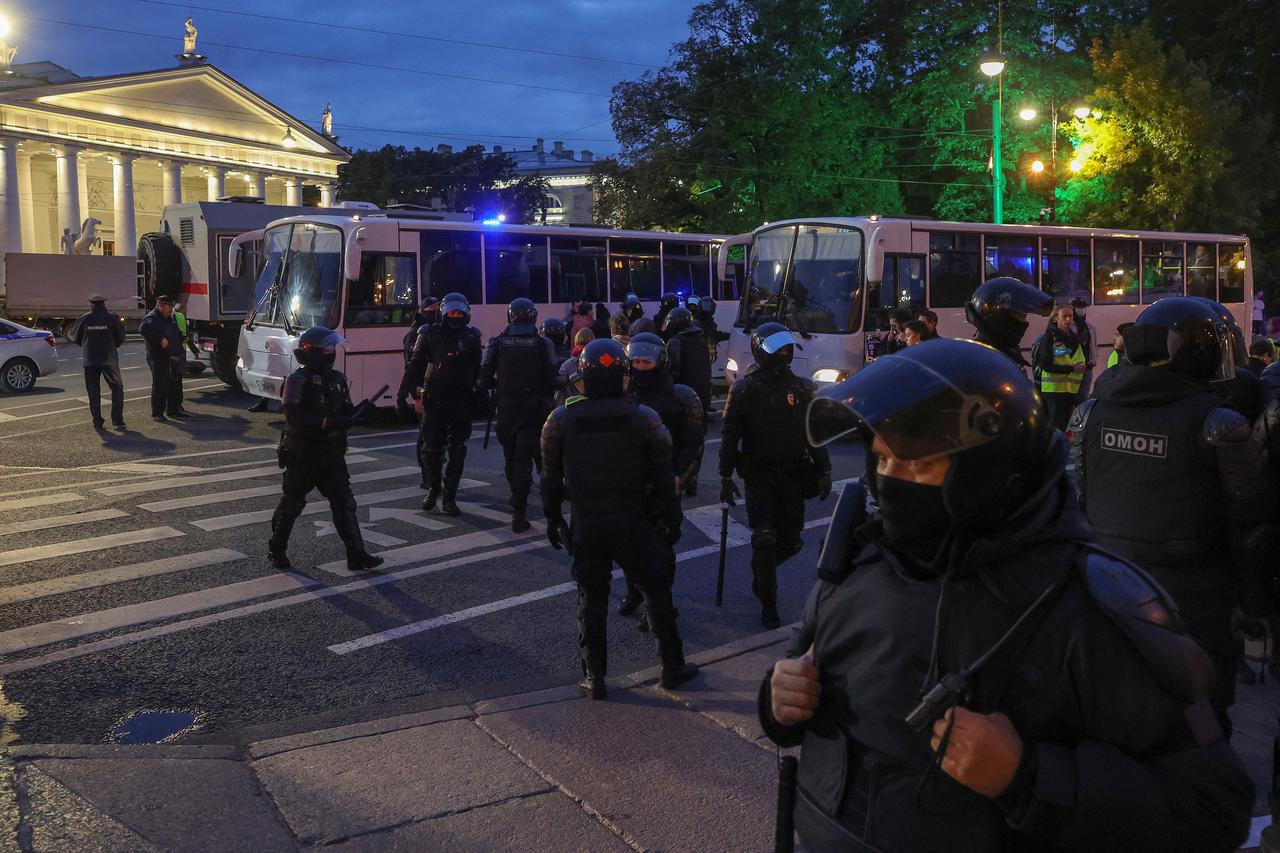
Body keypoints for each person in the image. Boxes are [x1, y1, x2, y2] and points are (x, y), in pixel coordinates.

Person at [763, 338, 1253, 852]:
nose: (891, 484)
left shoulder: (1086, 606)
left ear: (988, 473)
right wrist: (778, 703)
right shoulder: (859, 564)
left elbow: (1212, 809)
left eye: (917, 466)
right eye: (883, 461)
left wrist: (1028, 778)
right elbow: (801, 674)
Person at [1069, 296, 1275, 735]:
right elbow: (1250, 524)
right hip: (1196, 595)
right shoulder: (1218, 423)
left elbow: (1084, 498)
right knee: (1202, 719)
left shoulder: (1092, 411)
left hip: (1111, 583)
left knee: (1118, 710)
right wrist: (1255, 606)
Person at [540, 338, 700, 700]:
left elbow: (549, 479)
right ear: (623, 375)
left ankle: (594, 676)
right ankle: (671, 666)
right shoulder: (644, 417)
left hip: (588, 521)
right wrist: (671, 521)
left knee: (591, 597)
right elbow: (663, 479)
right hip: (632, 519)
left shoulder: (561, 419)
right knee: (656, 591)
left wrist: (553, 519)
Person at [720, 322, 832, 629]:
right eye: (778, 349)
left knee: (792, 540)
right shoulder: (743, 389)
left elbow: (814, 433)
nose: (783, 354)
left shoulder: (802, 388)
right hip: (758, 475)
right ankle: (768, 601)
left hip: (793, 474)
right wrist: (725, 475)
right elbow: (730, 435)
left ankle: (762, 570)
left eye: (786, 349)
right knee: (765, 537)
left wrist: (824, 469)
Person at [268, 327, 384, 573]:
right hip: (304, 452)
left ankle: (356, 555)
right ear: (312, 351)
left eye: (333, 348)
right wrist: (325, 423)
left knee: (344, 503)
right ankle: (276, 548)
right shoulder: (298, 379)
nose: (332, 352)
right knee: (293, 503)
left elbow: (345, 410)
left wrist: (360, 413)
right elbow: (292, 416)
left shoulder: (337, 378)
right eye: (327, 348)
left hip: (331, 452)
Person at [617, 333, 706, 625]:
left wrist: (680, 477)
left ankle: (657, 605)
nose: (641, 367)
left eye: (647, 361)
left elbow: (692, 443)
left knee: (661, 548)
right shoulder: (623, 393)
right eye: (636, 361)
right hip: (629, 483)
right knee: (628, 544)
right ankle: (635, 592)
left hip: (665, 483)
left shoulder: (679, 397)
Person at [399, 292, 483, 516]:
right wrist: (403, 394)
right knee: (430, 449)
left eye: (459, 313)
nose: (455, 317)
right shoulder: (429, 334)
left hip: (461, 400)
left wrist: (483, 395)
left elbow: (479, 370)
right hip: (435, 399)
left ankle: (450, 497)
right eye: (452, 313)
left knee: (458, 450)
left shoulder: (472, 337)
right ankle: (435, 488)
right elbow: (414, 366)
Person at [480, 297, 560, 532]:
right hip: (532, 410)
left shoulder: (496, 342)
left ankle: (517, 501)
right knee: (524, 461)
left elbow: (483, 379)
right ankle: (519, 510)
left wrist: (502, 383)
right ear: (533, 316)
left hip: (506, 409)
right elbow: (552, 377)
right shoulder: (543, 343)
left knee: (511, 459)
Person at [964, 277, 1053, 373]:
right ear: (999, 317)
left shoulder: (1008, 353)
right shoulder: (979, 360)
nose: (1024, 322)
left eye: (1024, 316)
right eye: (1019, 315)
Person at [73, 294, 126, 430]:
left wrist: (88, 347)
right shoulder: (112, 317)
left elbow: (77, 338)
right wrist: (111, 346)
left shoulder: (84, 319)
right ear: (104, 305)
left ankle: (97, 421)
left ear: (91, 305)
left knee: (93, 391)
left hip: (90, 360)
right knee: (117, 388)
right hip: (109, 359)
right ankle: (117, 420)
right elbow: (120, 337)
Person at [1037, 305, 1086, 431]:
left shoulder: (1074, 338)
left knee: (1065, 427)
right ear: (1055, 318)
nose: (1068, 319)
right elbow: (1046, 366)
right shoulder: (1049, 338)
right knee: (1054, 429)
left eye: (1071, 316)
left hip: (1069, 392)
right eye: (1064, 316)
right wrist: (1072, 369)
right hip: (1053, 393)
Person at [138, 295, 185, 422]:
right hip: (157, 356)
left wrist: (181, 337)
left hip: (172, 355)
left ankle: (173, 410)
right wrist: (160, 339)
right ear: (159, 305)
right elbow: (143, 330)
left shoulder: (168, 318)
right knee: (160, 383)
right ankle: (157, 413)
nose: (170, 309)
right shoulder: (152, 318)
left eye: (171, 306)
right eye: (168, 307)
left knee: (173, 383)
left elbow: (175, 332)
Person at [665, 306, 713, 415]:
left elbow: (673, 370)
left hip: (684, 396)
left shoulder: (675, 342)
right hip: (703, 395)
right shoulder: (701, 339)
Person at [1070, 297, 1098, 403]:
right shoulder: (1069, 327)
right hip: (1074, 369)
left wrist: (1093, 359)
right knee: (1072, 400)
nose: (1082, 310)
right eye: (1078, 307)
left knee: (1083, 399)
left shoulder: (1090, 327)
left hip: (1087, 368)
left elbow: (1094, 345)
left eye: (1083, 307)